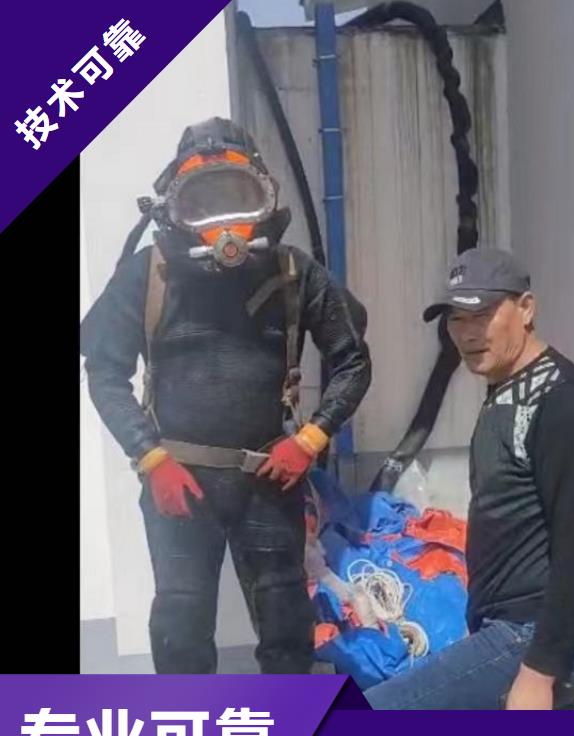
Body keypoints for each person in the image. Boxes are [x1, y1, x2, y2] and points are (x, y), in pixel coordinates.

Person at [81, 117, 371, 675]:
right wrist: (150, 458)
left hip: (270, 478)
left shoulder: (295, 272)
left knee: (287, 623)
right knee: (181, 626)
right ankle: (190, 729)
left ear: (264, 197)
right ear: (175, 208)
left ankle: (288, 727)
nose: (224, 222)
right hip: (178, 481)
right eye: (204, 202)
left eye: (238, 198)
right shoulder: (148, 274)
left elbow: (353, 360)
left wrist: (310, 440)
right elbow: (105, 372)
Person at [365, 247, 574, 709]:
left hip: (536, 636)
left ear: (526, 308)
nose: (467, 333)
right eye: (456, 319)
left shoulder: (561, 403)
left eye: (481, 315)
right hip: (510, 626)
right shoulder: (505, 388)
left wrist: (537, 674)